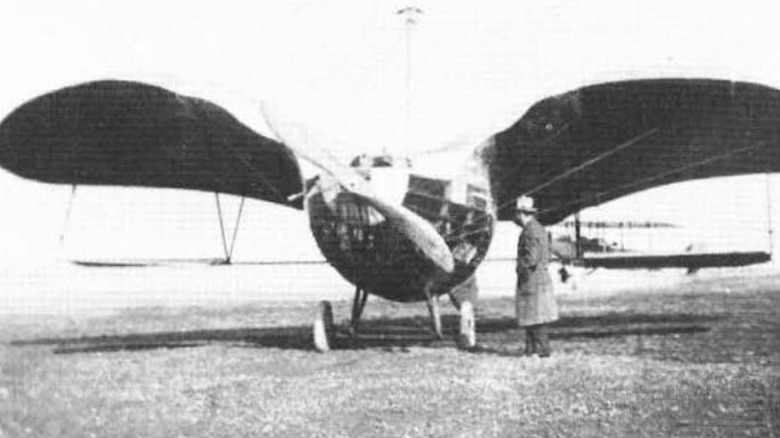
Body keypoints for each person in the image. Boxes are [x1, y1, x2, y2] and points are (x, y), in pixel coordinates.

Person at [514, 196, 559, 357]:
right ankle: (531, 350)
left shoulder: (529, 231)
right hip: (540, 279)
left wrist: (520, 270)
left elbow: (531, 258)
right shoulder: (539, 228)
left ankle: (542, 351)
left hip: (531, 280)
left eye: (517, 214)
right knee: (533, 317)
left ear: (521, 214)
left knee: (535, 318)